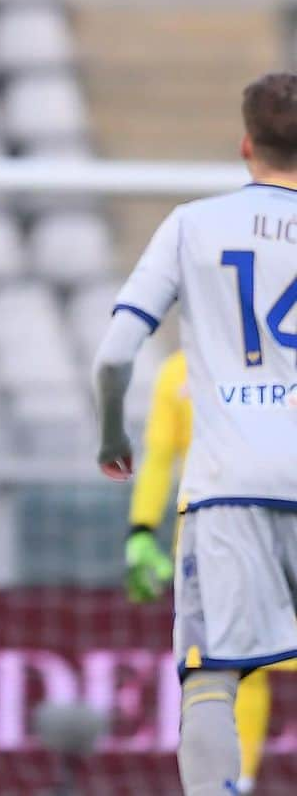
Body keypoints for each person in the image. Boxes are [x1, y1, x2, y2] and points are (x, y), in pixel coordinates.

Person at [94, 71, 297, 796]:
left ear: (246, 144)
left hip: (229, 488)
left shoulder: (193, 224)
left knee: (212, 672)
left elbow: (117, 352)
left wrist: (112, 436)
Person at [126, 349, 293, 795]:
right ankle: (236, 783)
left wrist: (140, 530)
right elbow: (159, 456)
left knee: (228, 668)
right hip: (218, 542)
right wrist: (141, 528)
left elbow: (158, 457)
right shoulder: (180, 371)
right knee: (235, 668)